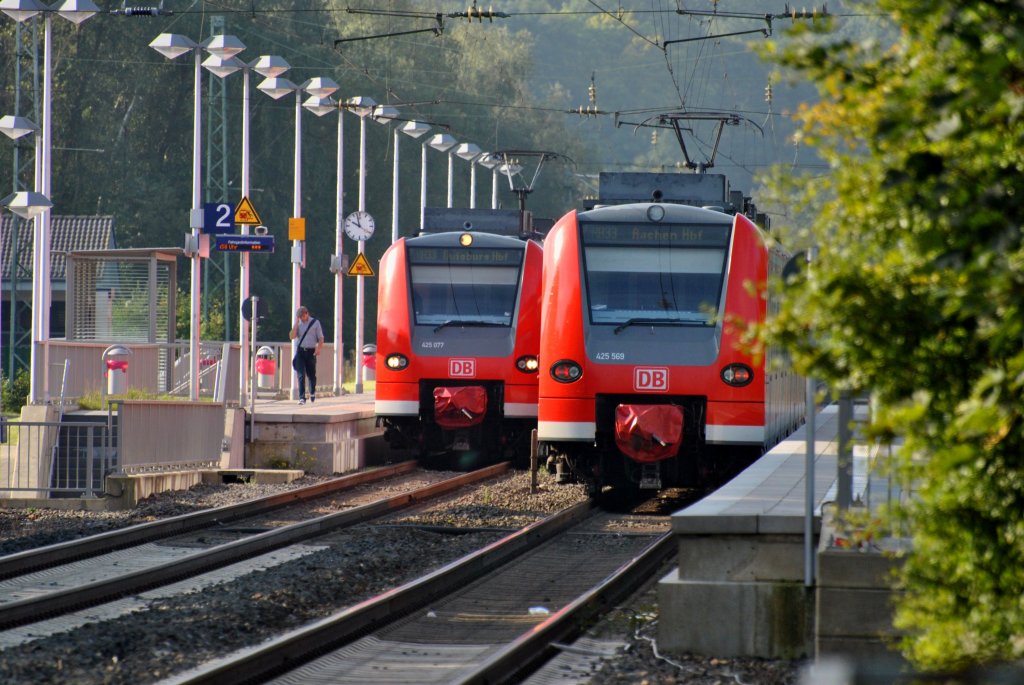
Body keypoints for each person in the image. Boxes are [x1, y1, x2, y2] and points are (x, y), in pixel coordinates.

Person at [289, 306, 324, 404]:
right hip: (300, 351)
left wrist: (318, 349)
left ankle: (312, 392)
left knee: (311, 374)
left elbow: (321, 338)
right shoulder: (298, 324)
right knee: (301, 374)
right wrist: (296, 324)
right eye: (299, 317)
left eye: (302, 316)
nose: (301, 318)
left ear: (306, 313)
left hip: (311, 351)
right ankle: (302, 398)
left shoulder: (315, 323)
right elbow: (292, 336)